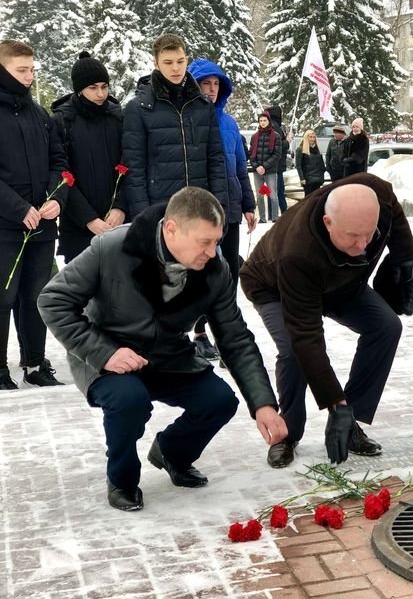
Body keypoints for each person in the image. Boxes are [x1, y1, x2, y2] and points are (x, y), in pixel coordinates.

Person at [38, 187, 288, 511]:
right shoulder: (113, 247)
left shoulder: (216, 269)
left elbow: (235, 338)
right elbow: (52, 300)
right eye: (204, 242)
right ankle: (122, 480)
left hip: (169, 355)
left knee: (220, 401)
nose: (213, 252)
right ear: (171, 229)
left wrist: (263, 403)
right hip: (108, 355)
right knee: (129, 401)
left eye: (216, 241)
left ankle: (172, 453)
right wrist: (103, 353)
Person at [239, 173, 413, 468]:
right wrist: (334, 402)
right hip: (273, 286)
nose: (362, 245)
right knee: (294, 350)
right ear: (328, 222)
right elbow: (306, 336)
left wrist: (405, 262)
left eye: (368, 234)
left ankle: (350, 422)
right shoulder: (298, 252)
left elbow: (395, 218)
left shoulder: (378, 195)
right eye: (352, 236)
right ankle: (287, 433)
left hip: (341, 280)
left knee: (386, 326)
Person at [122, 33, 229, 361]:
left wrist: (219, 208)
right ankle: (157, 349)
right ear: (156, 63)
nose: (175, 68)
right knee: (164, 282)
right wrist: (143, 215)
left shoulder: (202, 106)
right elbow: (134, 167)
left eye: (180, 61)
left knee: (201, 280)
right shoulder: (139, 109)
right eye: (168, 62)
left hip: (200, 210)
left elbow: (215, 159)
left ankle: (192, 344)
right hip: (162, 210)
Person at [0, 39, 68, 390]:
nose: (29, 77)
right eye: (21, 70)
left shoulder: (41, 115)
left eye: (31, 70)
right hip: (5, 225)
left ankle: (34, 362)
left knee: (35, 295)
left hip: (41, 223)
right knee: (3, 295)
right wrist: (18, 208)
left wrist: (57, 197)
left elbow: (59, 162)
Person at [187, 57, 257, 291]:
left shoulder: (229, 124)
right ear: (194, 85)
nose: (212, 89)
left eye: (216, 84)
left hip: (231, 207)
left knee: (229, 271)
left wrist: (248, 204)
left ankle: (227, 322)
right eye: (206, 83)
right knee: (200, 270)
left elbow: (240, 167)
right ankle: (199, 324)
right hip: (199, 209)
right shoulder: (186, 121)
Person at [51, 51, 126, 263]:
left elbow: (132, 164)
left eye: (104, 86)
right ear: (79, 89)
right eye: (93, 88)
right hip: (78, 227)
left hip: (117, 223)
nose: (100, 94)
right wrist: (89, 219)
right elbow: (61, 174)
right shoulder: (62, 122)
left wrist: (121, 207)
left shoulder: (118, 118)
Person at [249, 110, 281, 223]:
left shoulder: (276, 136)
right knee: (260, 195)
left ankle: (275, 217)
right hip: (257, 171)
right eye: (261, 120)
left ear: (269, 121)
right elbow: (251, 154)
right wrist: (257, 166)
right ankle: (262, 218)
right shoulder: (254, 137)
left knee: (272, 195)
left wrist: (264, 166)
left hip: (270, 171)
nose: (262, 122)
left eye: (264, 120)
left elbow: (277, 154)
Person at [266, 105, 291, 216]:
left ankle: (273, 214)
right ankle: (280, 215)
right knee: (278, 192)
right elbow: (278, 146)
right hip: (276, 166)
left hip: (273, 165)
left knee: (274, 191)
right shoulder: (275, 127)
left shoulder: (270, 126)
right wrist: (288, 141)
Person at [295, 129, 325, 196]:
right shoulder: (300, 149)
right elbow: (298, 165)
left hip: (318, 179)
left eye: (314, 137)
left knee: (316, 198)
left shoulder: (318, 149)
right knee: (308, 198)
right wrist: (302, 178)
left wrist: (322, 174)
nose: (312, 139)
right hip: (308, 179)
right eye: (310, 137)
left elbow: (321, 164)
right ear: (306, 138)